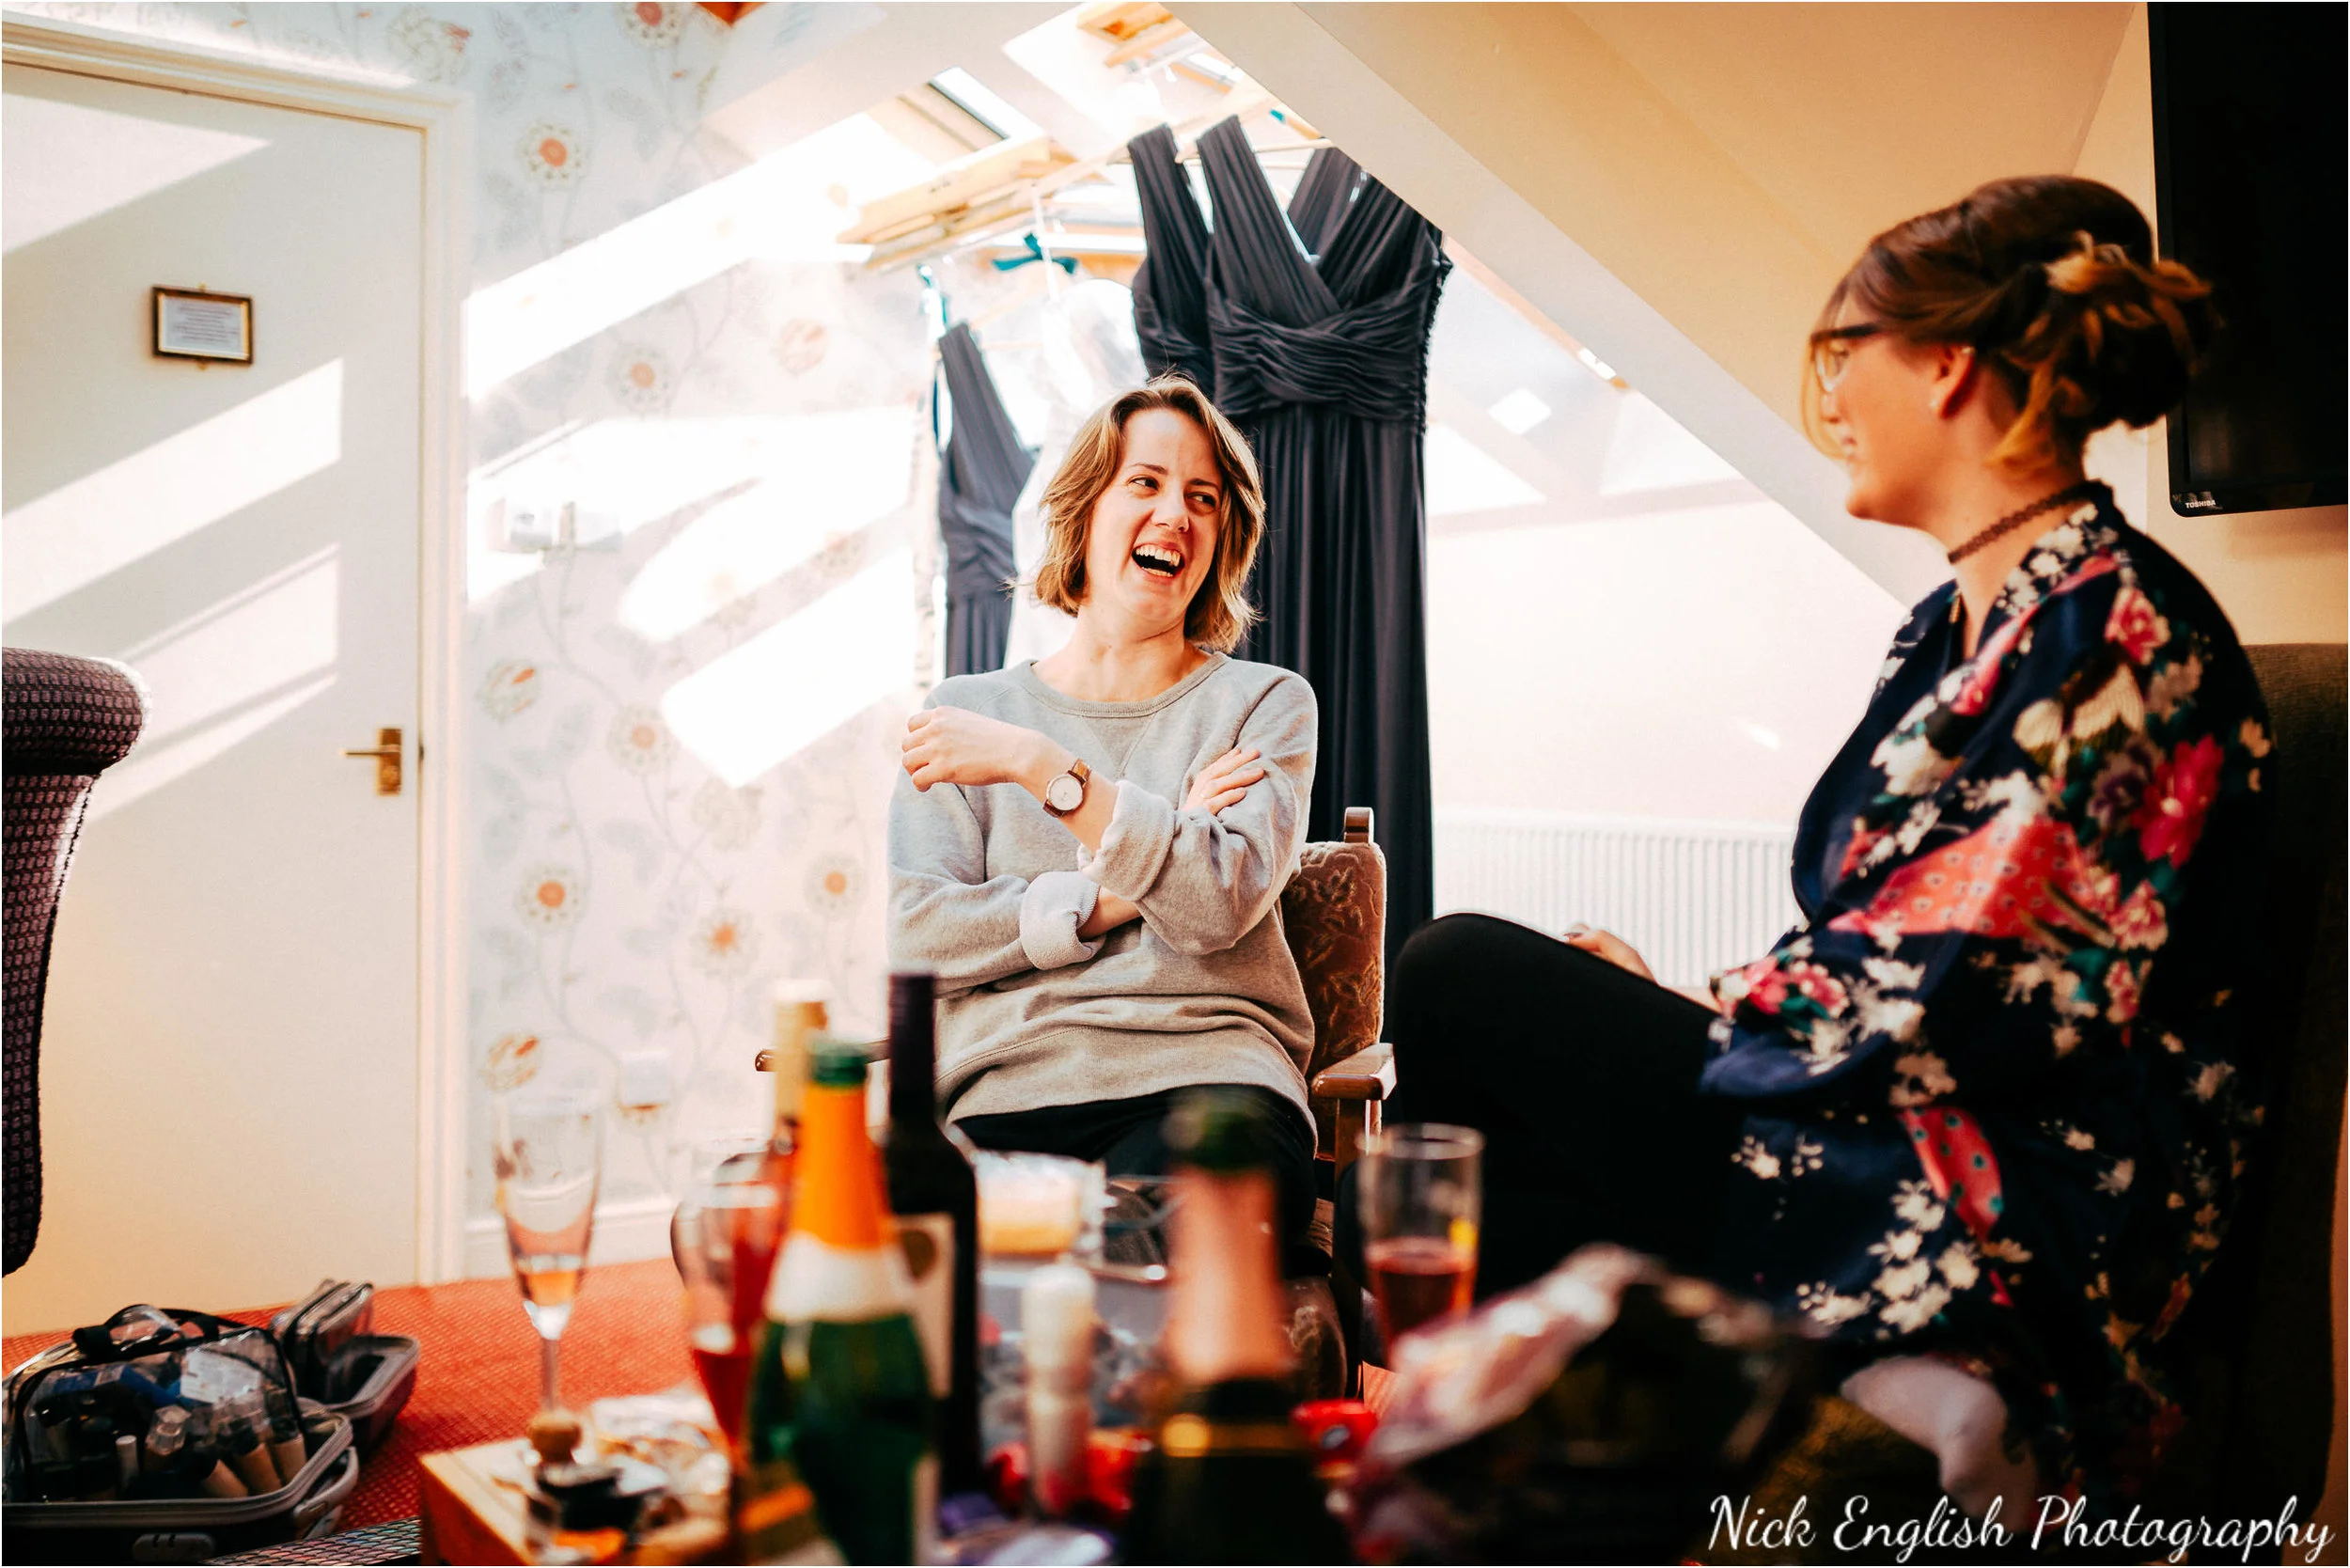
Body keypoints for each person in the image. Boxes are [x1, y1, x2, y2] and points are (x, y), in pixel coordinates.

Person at [1347, 175, 2270, 1506]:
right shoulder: (1952, 630)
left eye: (1846, 353)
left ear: (1946, 365)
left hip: (2005, 1181)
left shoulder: (2112, 639)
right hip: (1893, 1097)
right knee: (1456, 1212)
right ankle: (1511, 1469)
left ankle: (1933, 1369)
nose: (1829, 399)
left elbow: (1957, 994)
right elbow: (1889, 935)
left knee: (1455, 975)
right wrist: (1691, 1003)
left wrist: (1705, 1014)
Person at [887, 376, 1320, 1247]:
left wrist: (1041, 766)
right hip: (1005, 1088)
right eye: (1146, 482)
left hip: (1210, 1082)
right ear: (1084, 513)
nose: (1177, 515)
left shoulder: (1263, 703)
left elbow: (1215, 905)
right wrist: (1124, 883)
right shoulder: (964, 713)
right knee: (852, 1249)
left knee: (1136, 1252)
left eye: (1204, 498)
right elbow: (915, 939)